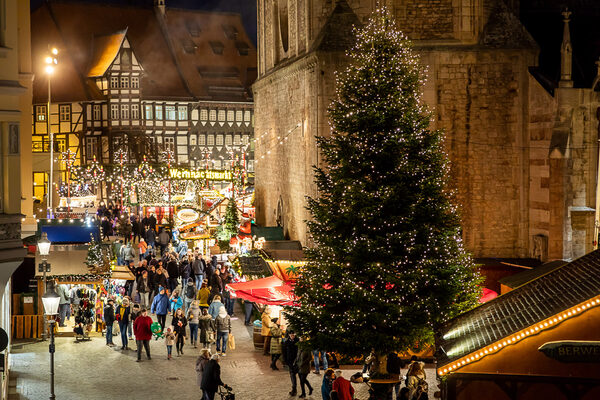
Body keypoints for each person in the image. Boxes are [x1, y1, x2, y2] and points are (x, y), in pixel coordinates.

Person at [282, 331, 299, 396]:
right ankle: (294, 389)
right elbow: (284, 352)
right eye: (291, 335)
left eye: (293, 335)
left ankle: (305, 389)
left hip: (297, 361)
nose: (292, 336)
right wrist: (285, 360)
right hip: (290, 361)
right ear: (289, 335)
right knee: (292, 375)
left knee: (301, 377)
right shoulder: (286, 342)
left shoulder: (297, 341)